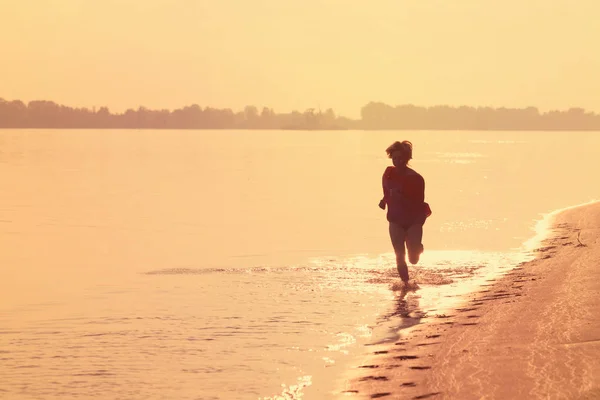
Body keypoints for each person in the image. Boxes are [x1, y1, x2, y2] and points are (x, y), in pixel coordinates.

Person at [378, 140, 430, 283]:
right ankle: (406, 286)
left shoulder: (416, 178)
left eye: (400, 158)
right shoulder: (388, 173)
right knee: (399, 255)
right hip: (395, 220)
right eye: (394, 158)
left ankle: (417, 248)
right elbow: (387, 191)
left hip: (413, 221)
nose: (397, 161)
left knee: (413, 259)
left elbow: (419, 204)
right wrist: (384, 200)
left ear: (406, 159)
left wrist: (402, 197)